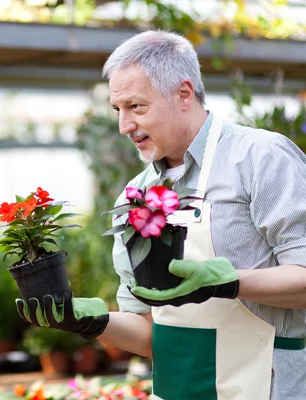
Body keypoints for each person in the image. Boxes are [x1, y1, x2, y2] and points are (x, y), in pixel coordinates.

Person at [16, 30, 306, 400]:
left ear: (183, 94)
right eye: (117, 110)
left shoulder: (259, 158)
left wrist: (227, 282)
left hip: (265, 387)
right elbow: (149, 330)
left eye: (136, 107)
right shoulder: (134, 198)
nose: (124, 126)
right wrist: (91, 321)